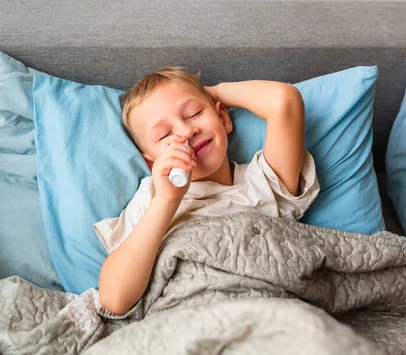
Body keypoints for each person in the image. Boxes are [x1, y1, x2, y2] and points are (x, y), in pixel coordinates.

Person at [95, 67, 320, 315]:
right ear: (151, 162)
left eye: (194, 113)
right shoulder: (152, 199)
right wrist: (168, 200)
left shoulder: (263, 181)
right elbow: (114, 300)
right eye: (165, 134)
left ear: (223, 118)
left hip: (267, 309)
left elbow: (284, 100)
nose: (185, 131)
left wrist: (213, 92)